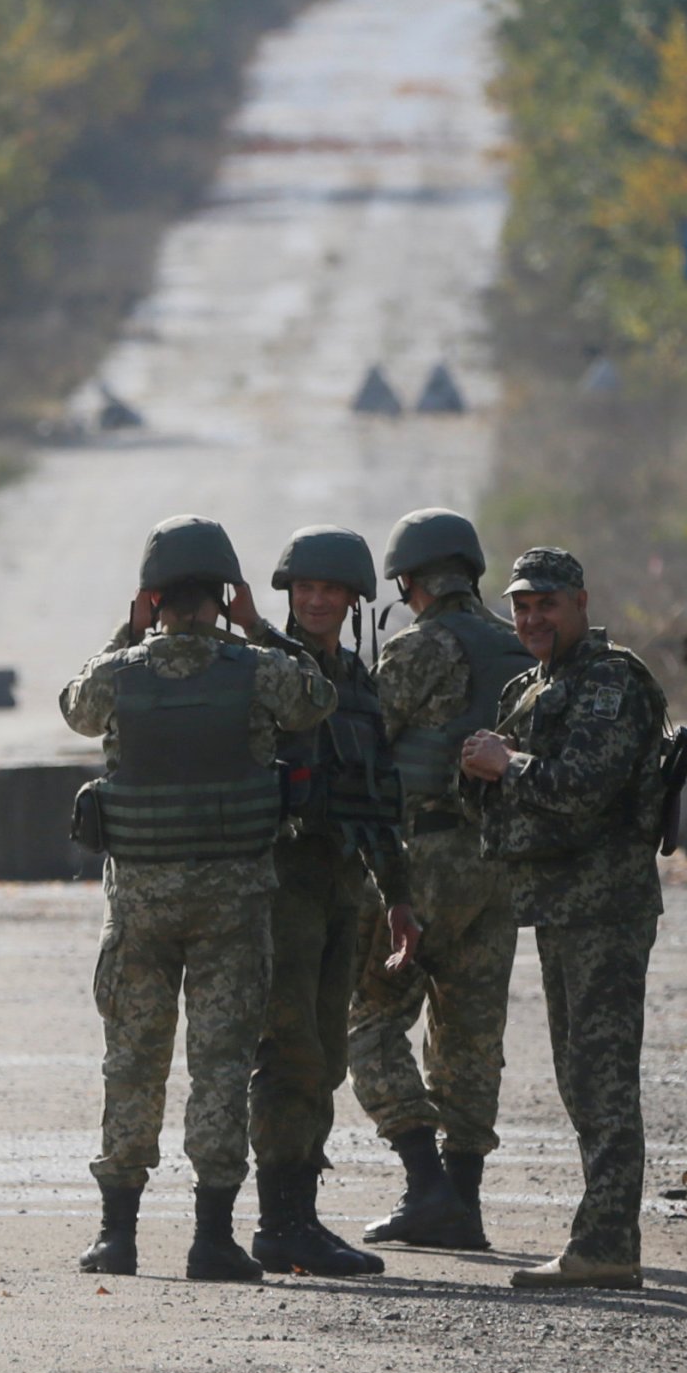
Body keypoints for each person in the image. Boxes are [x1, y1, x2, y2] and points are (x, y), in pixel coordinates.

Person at [59, 514, 335, 1282]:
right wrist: (260, 628)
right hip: (232, 907)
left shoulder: (121, 672)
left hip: (142, 907)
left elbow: (76, 709)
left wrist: (127, 630)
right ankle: (213, 1239)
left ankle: (117, 1237)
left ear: (152, 598)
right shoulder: (256, 668)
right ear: (223, 595)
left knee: (133, 1061)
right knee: (220, 1065)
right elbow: (318, 700)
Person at [458, 546, 668, 1291]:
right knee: (581, 1078)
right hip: (558, 905)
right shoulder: (536, 683)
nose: (532, 617)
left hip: (604, 908)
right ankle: (601, 1236)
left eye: (546, 603)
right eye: (520, 605)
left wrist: (505, 764)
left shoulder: (610, 681)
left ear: (580, 603)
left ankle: (609, 1241)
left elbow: (582, 786)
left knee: (603, 1079)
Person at [347, 508, 534, 1252]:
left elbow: (369, 740)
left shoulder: (418, 648)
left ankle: (424, 1182)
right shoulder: (520, 646)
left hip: (425, 861)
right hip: (501, 866)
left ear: (406, 580)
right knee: (471, 1033)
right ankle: (462, 1203)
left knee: (370, 1016)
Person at [243, 525, 400, 1278]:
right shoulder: (266, 669)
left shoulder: (359, 687)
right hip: (280, 885)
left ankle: (298, 1215)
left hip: (342, 884)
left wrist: (398, 896)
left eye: (328, 590)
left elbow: (380, 800)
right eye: (303, 588)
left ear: (352, 599)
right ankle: (280, 1222)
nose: (314, 599)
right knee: (289, 1053)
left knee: (327, 1055)